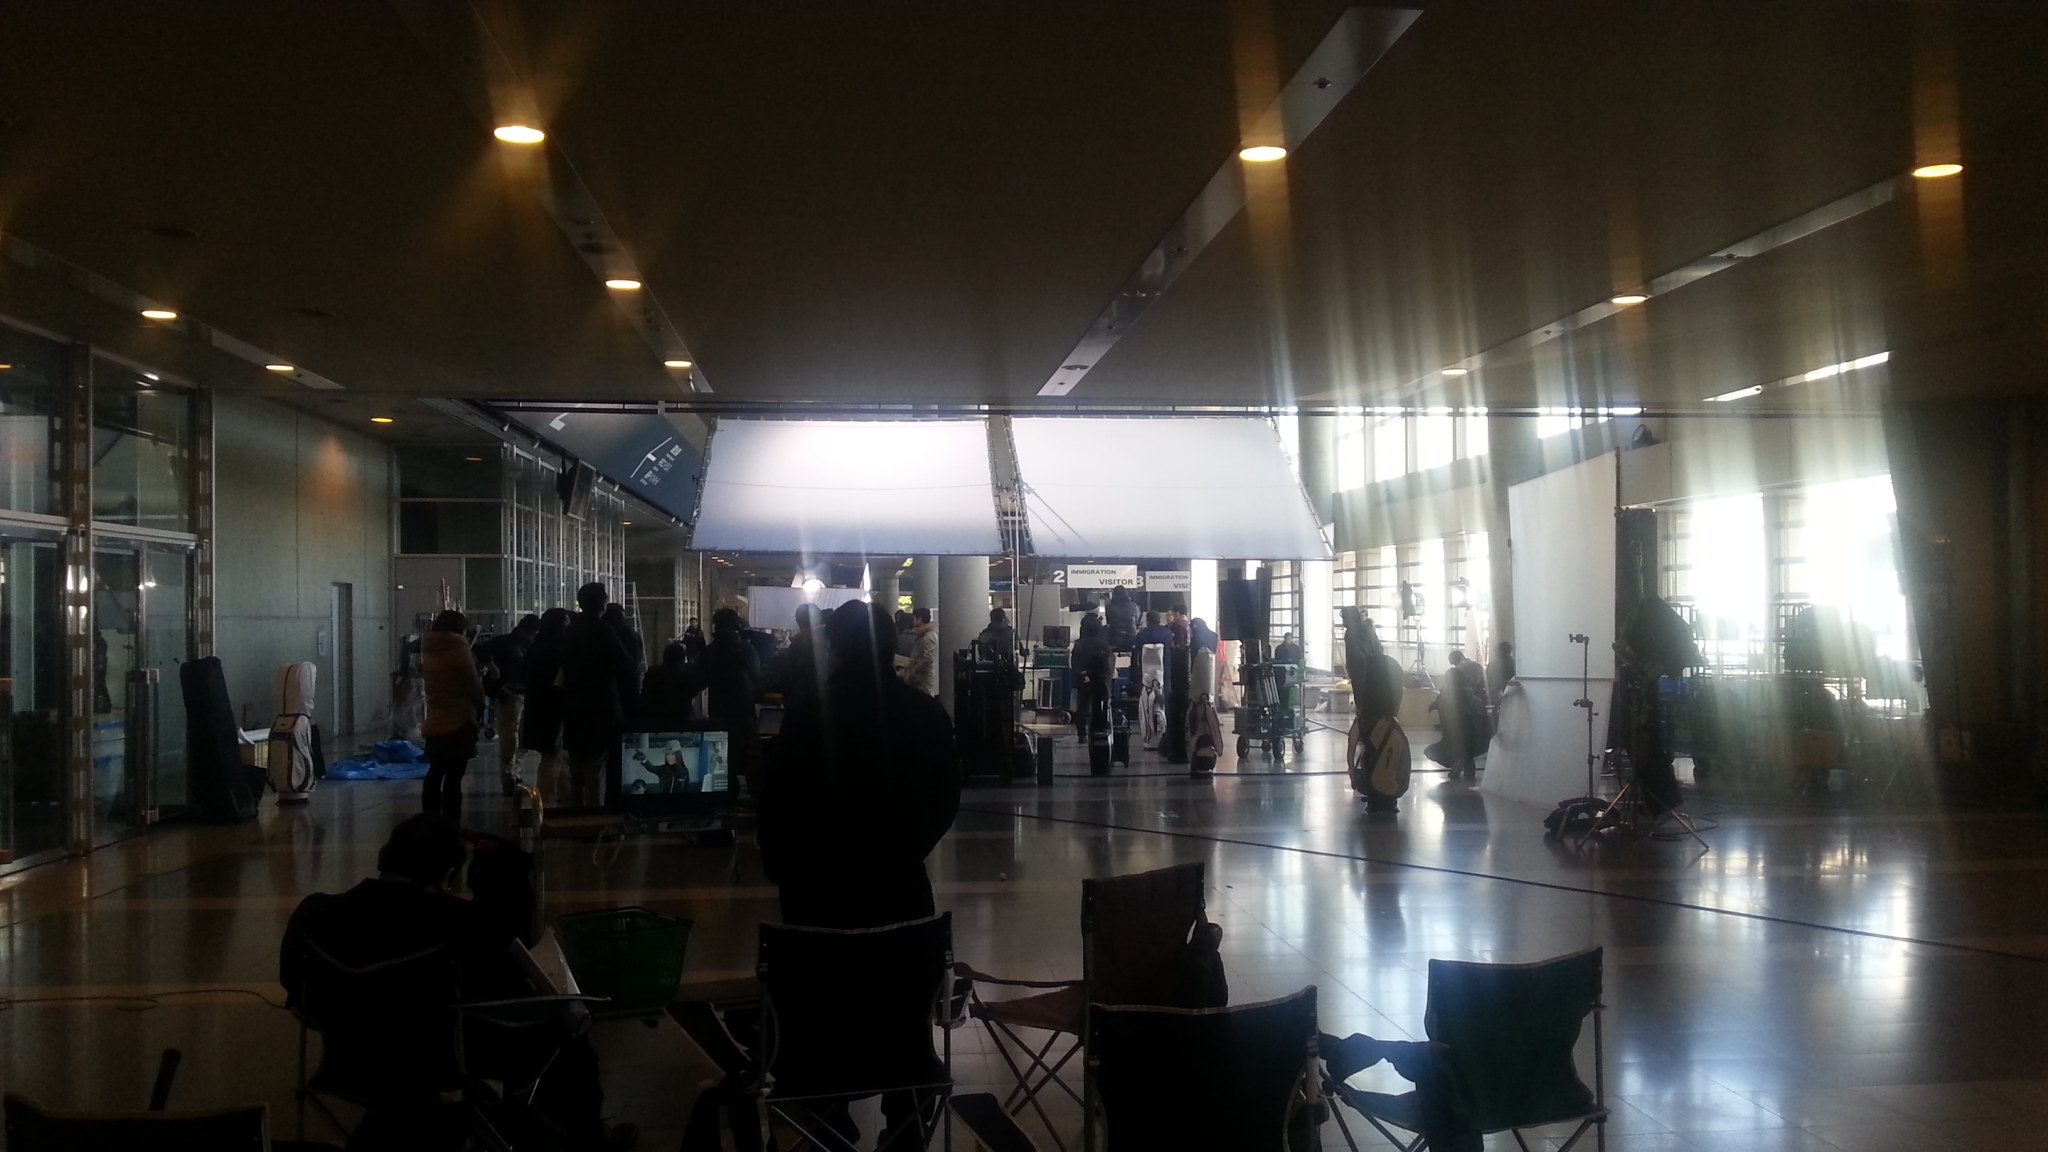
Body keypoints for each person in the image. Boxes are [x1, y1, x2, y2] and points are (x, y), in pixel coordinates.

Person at [281, 816, 614, 1152]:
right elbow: (507, 984)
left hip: (347, 1066)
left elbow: (296, 992)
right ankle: (589, 1141)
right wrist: (507, 876)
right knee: (569, 1033)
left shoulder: (313, 914)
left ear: (385, 856)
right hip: (433, 1068)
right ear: (449, 875)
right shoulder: (458, 923)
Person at [760, 600, 960, 929]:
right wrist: (909, 850)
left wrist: (781, 865)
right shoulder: (926, 713)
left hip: (816, 891)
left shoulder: (808, 713)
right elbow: (947, 796)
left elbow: (779, 795)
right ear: (891, 648)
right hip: (900, 889)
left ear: (834, 648)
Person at [560, 583, 632, 809]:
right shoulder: (603, 630)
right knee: (596, 770)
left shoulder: (569, 630)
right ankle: (595, 817)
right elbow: (626, 663)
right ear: (602, 604)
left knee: (576, 769)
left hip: (573, 704)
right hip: (601, 705)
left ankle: (575, 814)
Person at [420, 610, 485, 820]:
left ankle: (429, 819)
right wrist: (480, 707)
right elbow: (473, 685)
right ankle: (450, 822)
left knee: (435, 772)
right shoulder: (458, 649)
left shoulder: (429, 648)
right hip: (459, 719)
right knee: (454, 777)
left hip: (435, 718)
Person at [474, 614, 540, 786]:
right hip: (510, 693)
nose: (532, 637)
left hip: (527, 694)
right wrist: (492, 667)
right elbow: (479, 650)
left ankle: (514, 769)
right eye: (531, 634)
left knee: (524, 737)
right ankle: (508, 772)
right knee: (510, 735)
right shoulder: (505, 642)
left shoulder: (531, 645)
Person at [702, 608, 762, 789]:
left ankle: (725, 792)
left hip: (719, 710)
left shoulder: (710, 651)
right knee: (751, 756)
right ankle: (755, 794)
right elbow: (757, 677)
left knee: (722, 756)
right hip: (744, 710)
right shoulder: (746, 649)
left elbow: (699, 679)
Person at [519, 608, 573, 803]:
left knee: (553, 757)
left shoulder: (535, 647)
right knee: (554, 757)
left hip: (537, 707)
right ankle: (548, 801)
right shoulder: (559, 650)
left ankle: (558, 799)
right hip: (555, 708)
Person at [1429, 649, 1491, 778]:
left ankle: (1457, 769)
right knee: (1467, 753)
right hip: (1471, 731)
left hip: (1455, 731)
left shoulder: (1447, 693)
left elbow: (1436, 703)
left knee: (1457, 751)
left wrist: (1434, 706)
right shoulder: (1475, 670)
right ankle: (1466, 772)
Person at [1070, 613, 1114, 743]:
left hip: (1083, 679)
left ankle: (1081, 734)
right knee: (1098, 705)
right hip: (1099, 679)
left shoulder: (1078, 645)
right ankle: (1097, 731)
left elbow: (1074, 663)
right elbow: (1106, 665)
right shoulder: (1103, 645)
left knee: (1082, 706)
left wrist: (1083, 673)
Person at [640, 640, 703, 730]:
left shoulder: (652, 675)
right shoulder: (682, 678)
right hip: (679, 724)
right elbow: (697, 686)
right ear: (681, 661)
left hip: (653, 723)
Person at [903, 606, 940, 697]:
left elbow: (928, 659)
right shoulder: (923, 634)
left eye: (914, 618)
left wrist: (914, 670)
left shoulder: (929, 636)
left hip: (923, 678)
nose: (913, 621)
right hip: (919, 677)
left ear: (919, 619)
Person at [1104, 585, 1139, 650]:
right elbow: (1136, 621)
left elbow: (1108, 621)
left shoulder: (1109, 607)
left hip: (1115, 638)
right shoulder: (1134, 606)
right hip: (1131, 638)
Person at [1487, 640, 1517, 707]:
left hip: (1495, 696)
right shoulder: (1515, 665)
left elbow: (1488, 681)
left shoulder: (1492, 665)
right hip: (1512, 695)